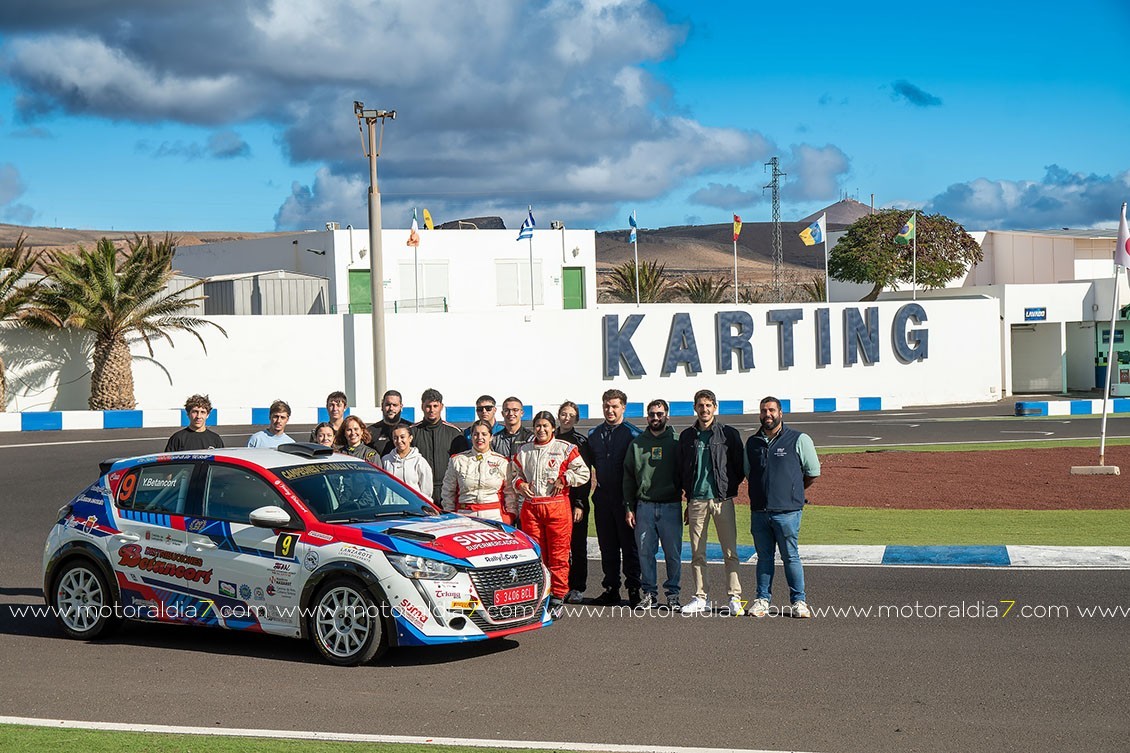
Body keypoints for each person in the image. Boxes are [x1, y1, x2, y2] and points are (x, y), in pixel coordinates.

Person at [744, 396, 821, 619]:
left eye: (771, 410)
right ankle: (762, 599)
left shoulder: (798, 439)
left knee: (790, 557)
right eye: (763, 411)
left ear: (780, 413)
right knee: (763, 557)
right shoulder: (752, 442)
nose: (767, 415)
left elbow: (812, 472)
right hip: (759, 511)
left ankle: (799, 601)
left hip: (787, 512)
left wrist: (792, 491)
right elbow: (749, 473)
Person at [509, 412, 590, 609]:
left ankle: (558, 595)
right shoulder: (524, 450)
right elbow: (513, 474)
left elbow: (584, 473)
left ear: (553, 428)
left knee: (559, 554)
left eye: (545, 426)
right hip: (532, 506)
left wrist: (565, 479)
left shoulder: (564, 448)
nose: (541, 429)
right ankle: (539, 592)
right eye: (538, 426)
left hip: (557, 506)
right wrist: (519, 484)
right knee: (537, 554)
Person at [678, 389, 746, 616]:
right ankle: (700, 597)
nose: (704, 410)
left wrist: (728, 488)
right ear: (695, 408)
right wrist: (688, 498)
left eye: (708, 405)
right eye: (700, 405)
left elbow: (738, 466)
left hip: (722, 500)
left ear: (715, 407)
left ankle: (734, 597)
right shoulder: (688, 436)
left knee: (730, 551)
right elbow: (682, 469)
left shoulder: (729, 434)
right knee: (697, 553)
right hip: (696, 500)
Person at [624, 399, 683, 611]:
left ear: (667, 415)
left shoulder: (676, 441)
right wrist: (629, 507)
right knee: (645, 553)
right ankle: (649, 593)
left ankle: (673, 594)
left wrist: (687, 502)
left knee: (673, 553)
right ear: (647, 417)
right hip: (644, 507)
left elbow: (686, 472)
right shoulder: (637, 444)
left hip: (671, 506)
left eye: (659, 414)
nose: (655, 418)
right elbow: (628, 478)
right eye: (652, 414)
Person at [587, 388, 642, 607]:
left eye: (615, 406)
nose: (610, 410)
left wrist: (632, 501)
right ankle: (611, 588)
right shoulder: (594, 434)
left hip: (625, 498)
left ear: (623, 408)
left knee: (629, 546)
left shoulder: (633, 434)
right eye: (606, 406)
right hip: (602, 498)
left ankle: (634, 589)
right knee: (607, 546)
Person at [556, 400, 593, 604]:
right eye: (563, 414)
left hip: (574, 501)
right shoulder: (549, 437)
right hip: (553, 502)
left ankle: (578, 587)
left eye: (571, 415)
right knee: (557, 546)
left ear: (576, 419)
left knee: (577, 545)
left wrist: (579, 502)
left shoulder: (581, 441)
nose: (566, 418)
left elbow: (584, 475)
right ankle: (559, 585)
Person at [442, 420, 514, 523]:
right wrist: (450, 515)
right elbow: (448, 491)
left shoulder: (502, 461)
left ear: (491, 437)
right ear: (471, 437)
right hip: (465, 516)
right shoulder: (458, 460)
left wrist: (509, 516)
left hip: (494, 517)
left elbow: (510, 493)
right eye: (476, 434)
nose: (480, 438)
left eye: (484, 434)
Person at [411, 388, 469, 501]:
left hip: (448, 491)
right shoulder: (412, 432)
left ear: (441, 406)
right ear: (422, 407)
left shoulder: (454, 432)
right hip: (419, 491)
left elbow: (463, 464)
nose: (431, 410)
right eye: (428, 406)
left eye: (435, 406)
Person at [381, 424, 434, 501]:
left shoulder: (419, 461)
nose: (399, 441)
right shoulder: (385, 460)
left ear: (410, 438)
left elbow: (426, 491)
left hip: (413, 507)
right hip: (391, 507)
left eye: (402, 437)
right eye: (395, 438)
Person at [370, 389, 411, 457]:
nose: (391, 408)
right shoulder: (371, 431)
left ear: (401, 407)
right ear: (382, 406)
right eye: (388, 405)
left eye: (395, 405)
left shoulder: (411, 428)